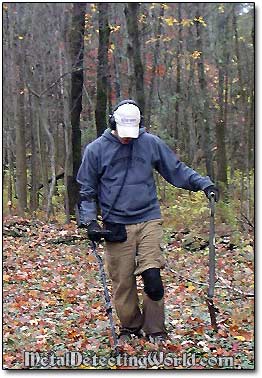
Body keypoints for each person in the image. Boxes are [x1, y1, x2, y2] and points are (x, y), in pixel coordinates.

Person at [76, 99, 219, 345]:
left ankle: (156, 330)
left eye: (131, 134)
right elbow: (86, 190)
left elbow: (177, 170)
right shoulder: (95, 150)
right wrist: (89, 222)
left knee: (153, 278)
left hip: (148, 218)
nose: (127, 139)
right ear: (113, 124)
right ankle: (130, 327)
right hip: (115, 224)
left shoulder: (150, 143)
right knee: (123, 282)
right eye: (123, 134)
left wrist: (203, 184)